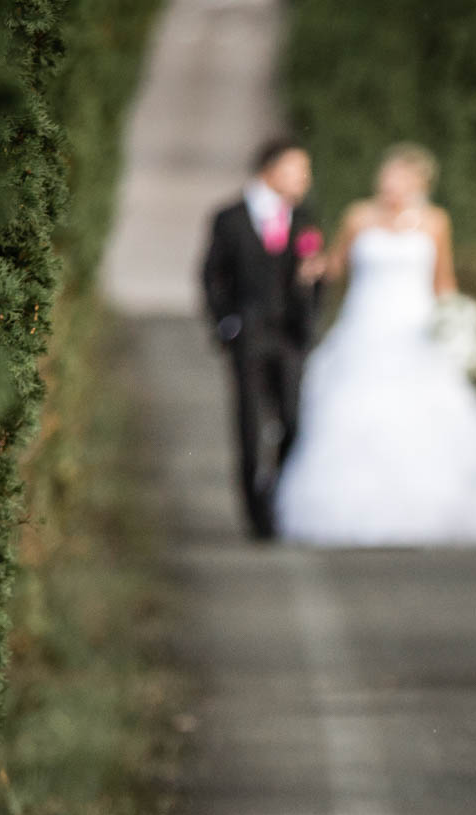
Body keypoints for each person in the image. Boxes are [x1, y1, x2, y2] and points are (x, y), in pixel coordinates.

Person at [272, 142, 476, 546]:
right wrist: (305, 261)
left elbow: (443, 281)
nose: (392, 185)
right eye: (388, 176)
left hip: (415, 329)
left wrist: (458, 324)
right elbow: (334, 266)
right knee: (355, 410)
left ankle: (426, 508)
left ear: (420, 183)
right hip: (366, 327)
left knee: (422, 414)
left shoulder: (436, 223)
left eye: (402, 178)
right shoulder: (358, 216)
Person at [201, 138, 325, 539]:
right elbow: (211, 276)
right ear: (269, 170)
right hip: (249, 334)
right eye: (296, 169)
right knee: (250, 427)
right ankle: (258, 517)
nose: (304, 179)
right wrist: (226, 324)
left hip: (289, 335)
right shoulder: (230, 218)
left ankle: (277, 493)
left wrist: (309, 312)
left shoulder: (305, 218)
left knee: (292, 420)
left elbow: (315, 273)